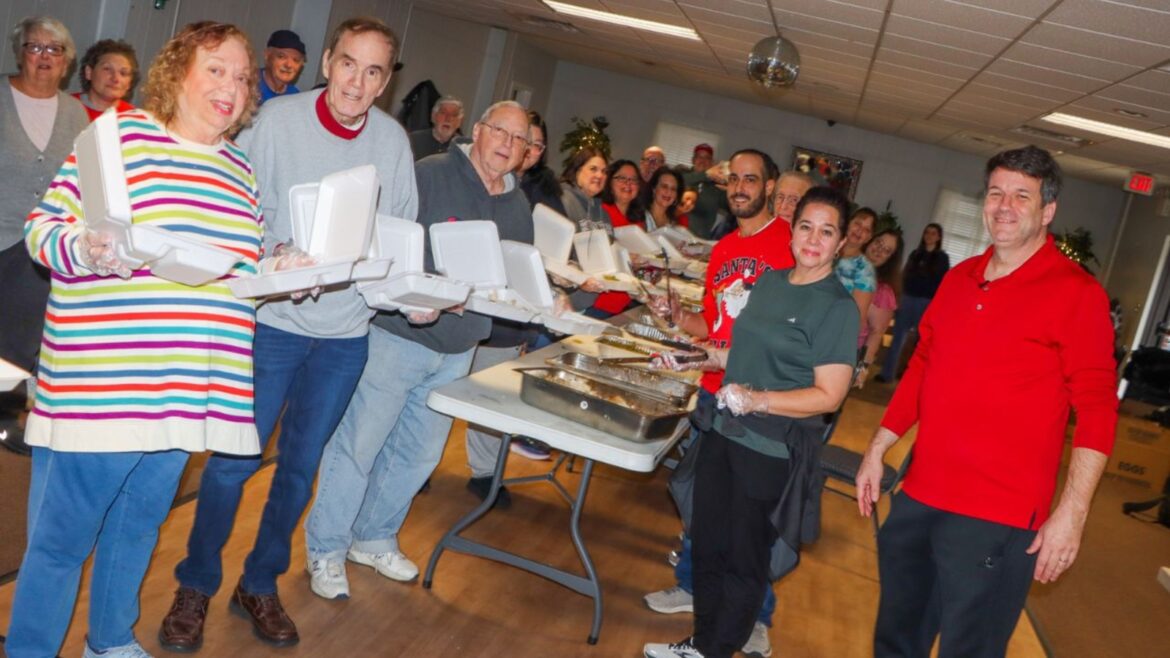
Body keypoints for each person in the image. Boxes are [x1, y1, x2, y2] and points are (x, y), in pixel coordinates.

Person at [5, 21, 263, 658]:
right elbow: (45, 230)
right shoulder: (120, 134)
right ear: (179, 72)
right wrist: (88, 250)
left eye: (242, 76)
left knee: (139, 527)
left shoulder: (242, 173)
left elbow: (242, 274)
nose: (231, 86)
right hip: (105, 385)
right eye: (216, 69)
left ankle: (110, 640)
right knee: (63, 542)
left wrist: (277, 271)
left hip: (188, 389)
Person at [158, 17, 417, 651]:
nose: (358, 81)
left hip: (344, 335)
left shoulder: (391, 144)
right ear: (328, 62)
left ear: (385, 83)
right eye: (350, 63)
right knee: (233, 463)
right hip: (272, 323)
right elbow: (237, 206)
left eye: (374, 71)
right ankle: (194, 586)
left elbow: (401, 236)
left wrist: (406, 293)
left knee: (299, 470)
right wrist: (276, 252)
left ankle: (260, 583)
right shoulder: (276, 124)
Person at [856, 145, 1118, 658]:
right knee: (895, 641)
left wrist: (1074, 511)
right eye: (996, 192)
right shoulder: (958, 279)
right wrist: (877, 447)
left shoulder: (1077, 293)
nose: (1004, 205)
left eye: (1022, 196)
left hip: (1000, 518)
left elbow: (1097, 407)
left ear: (1047, 211)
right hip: (921, 495)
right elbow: (923, 368)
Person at [303, 101, 533, 599]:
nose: (507, 145)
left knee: (419, 453)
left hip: (459, 348)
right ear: (478, 129)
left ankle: (374, 537)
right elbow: (387, 245)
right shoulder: (429, 173)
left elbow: (509, 274)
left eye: (519, 140)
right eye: (500, 132)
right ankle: (326, 548)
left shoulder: (518, 205)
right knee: (359, 445)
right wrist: (423, 294)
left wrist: (537, 295)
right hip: (399, 336)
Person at [645, 186, 859, 658]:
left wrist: (758, 400)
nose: (813, 239)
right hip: (723, 432)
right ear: (792, 229)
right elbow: (737, 353)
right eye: (806, 226)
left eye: (827, 232)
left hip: (770, 451)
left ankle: (716, 651)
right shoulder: (771, 282)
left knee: (744, 561)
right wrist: (694, 357)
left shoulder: (837, 307)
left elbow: (830, 395)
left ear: (841, 244)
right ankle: (701, 643)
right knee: (707, 545)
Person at [0, 16, 90, 455]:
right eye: (35, 48)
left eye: (54, 51)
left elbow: (81, 177)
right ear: (20, 52)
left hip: (38, 241)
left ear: (67, 62)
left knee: (19, 334)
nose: (44, 58)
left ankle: (5, 417)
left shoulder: (74, 112)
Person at [877, 223, 949, 383]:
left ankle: (909, 377)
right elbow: (904, 275)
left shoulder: (942, 258)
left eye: (933, 233)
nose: (929, 235)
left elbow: (943, 283)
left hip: (926, 302)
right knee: (897, 338)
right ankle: (886, 374)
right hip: (907, 299)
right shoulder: (915, 254)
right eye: (927, 232)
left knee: (920, 342)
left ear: (938, 237)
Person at [855, 229, 903, 387]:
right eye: (878, 243)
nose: (878, 250)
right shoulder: (845, 265)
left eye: (886, 251)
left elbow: (877, 333)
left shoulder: (883, 292)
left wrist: (863, 367)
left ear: (890, 259)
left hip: (846, 355)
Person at [835, 207, 877, 335]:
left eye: (866, 230)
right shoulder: (825, 249)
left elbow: (856, 320)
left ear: (869, 237)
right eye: (857, 224)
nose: (859, 231)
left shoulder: (865, 271)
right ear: (848, 223)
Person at [73, 39, 137, 120]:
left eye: (123, 73)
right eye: (107, 69)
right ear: (89, 72)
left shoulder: (134, 119)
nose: (115, 78)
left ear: (129, 83)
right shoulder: (65, 106)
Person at [517, 109, 564, 214]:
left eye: (536, 145)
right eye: (525, 140)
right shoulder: (494, 175)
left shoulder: (545, 184)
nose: (528, 149)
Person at [681, 144, 729, 240]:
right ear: (693, 160)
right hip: (675, 236)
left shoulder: (717, 188)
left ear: (712, 163)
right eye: (699, 157)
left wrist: (732, 189)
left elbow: (731, 207)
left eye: (707, 158)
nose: (702, 161)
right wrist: (706, 174)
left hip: (700, 242)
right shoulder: (682, 176)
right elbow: (677, 182)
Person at [408, 95, 464, 160]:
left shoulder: (463, 148)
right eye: (443, 113)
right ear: (433, 116)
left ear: (459, 122)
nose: (448, 119)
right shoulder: (413, 140)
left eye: (454, 115)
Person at [258, 29, 305, 103]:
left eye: (296, 60)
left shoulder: (294, 98)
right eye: (281, 56)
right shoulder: (248, 84)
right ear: (267, 55)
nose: (289, 65)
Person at [601, 159, 643, 228]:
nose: (628, 183)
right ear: (609, 183)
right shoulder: (601, 213)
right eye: (622, 178)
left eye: (633, 179)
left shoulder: (639, 219)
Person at [645, 167, 684, 232]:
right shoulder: (640, 216)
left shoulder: (674, 224)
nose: (669, 192)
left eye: (673, 189)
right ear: (654, 189)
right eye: (664, 186)